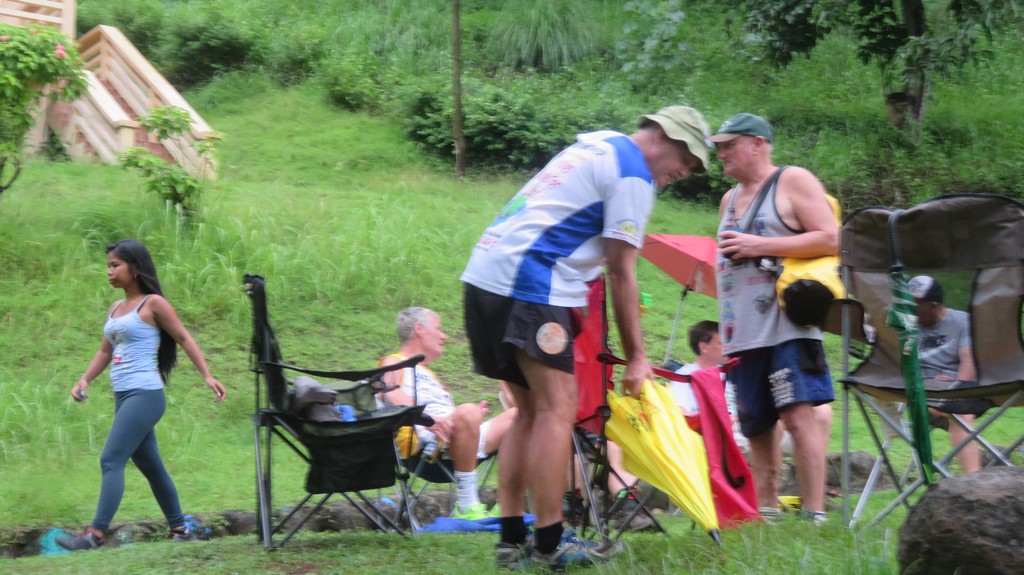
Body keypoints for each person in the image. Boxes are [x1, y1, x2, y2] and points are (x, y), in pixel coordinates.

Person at [462, 105, 713, 569]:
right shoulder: (633, 174)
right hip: (532, 285)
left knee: (527, 412)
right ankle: (550, 543)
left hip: (485, 278)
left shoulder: (597, 145)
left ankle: (513, 538)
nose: (685, 172)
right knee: (558, 410)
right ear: (662, 136)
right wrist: (638, 358)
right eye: (686, 159)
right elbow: (621, 271)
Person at [58, 239, 226, 551]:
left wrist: (207, 375)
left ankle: (95, 535)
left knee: (111, 459)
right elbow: (105, 350)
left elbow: (184, 338)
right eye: (108, 266)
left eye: (115, 265)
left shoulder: (153, 303)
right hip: (124, 395)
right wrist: (84, 379)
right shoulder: (115, 308)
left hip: (145, 394)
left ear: (134, 267)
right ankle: (180, 529)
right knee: (151, 466)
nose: (109, 271)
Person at [711, 113, 837, 524]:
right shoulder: (728, 199)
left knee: (798, 416)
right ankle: (766, 512)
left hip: (788, 325)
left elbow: (833, 238)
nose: (721, 154)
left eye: (729, 145)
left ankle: (814, 513)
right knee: (756, 425)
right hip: (741, 332)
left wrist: (758, 245)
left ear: (758, 143)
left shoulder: (792, 180)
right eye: (718, 147)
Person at [379, 307, 517, 519]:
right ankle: (466, 505)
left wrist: (469, 420)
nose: (444, 336)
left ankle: (507, 507)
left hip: (456, 439)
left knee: (520, 416)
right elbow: (387, 393)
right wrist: (428, 420)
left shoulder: (428, 374)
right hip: (428, 447)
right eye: (439, 329)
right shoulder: (394, 361)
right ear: (419, 329)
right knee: (468, 411)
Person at [908, 275, 984, 474]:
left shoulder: (963, 321)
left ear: (933, 306)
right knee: (960, 413)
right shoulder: (904, 326)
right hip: (920, 391)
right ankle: (974, 479)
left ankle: (974, 481)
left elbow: (968, 364)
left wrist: (955, 388)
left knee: (960, 412)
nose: (909, 311)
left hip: (956, 391)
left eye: (914, 306)